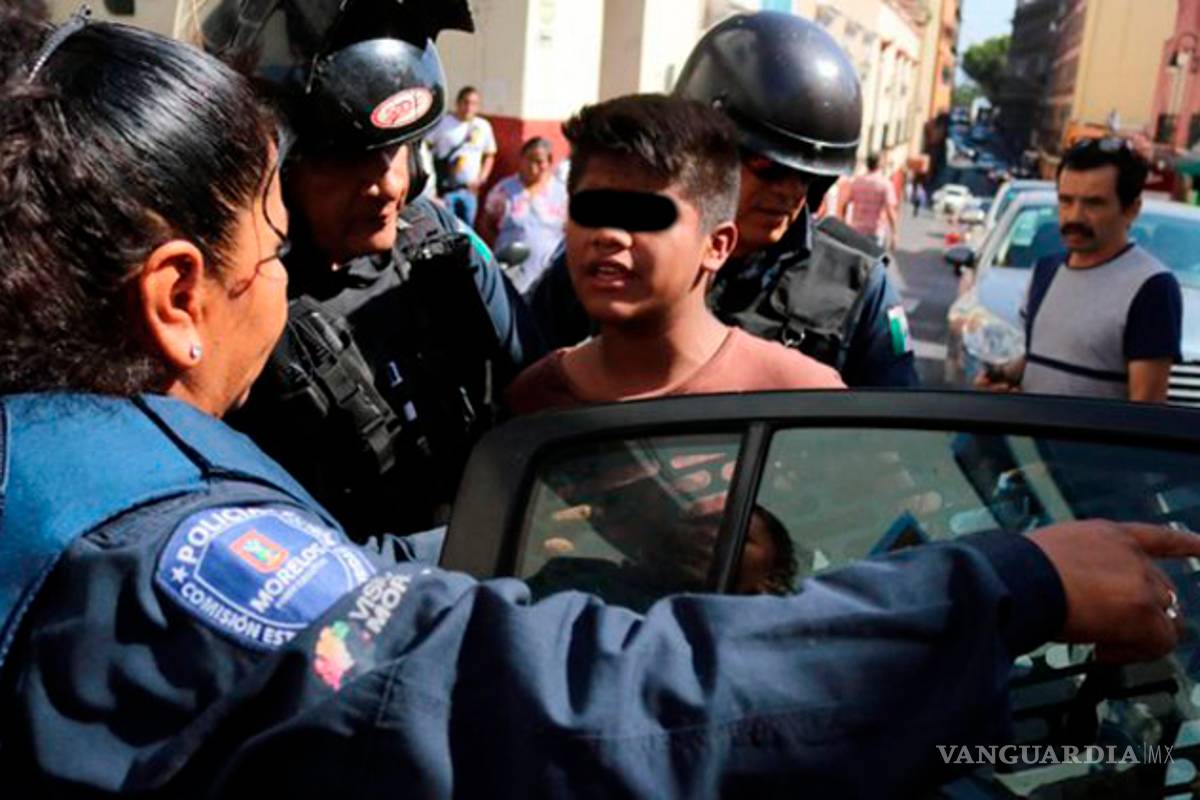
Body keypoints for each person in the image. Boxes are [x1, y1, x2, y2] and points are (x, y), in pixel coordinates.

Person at [4, 14, 1200, 800]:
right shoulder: (150, 550)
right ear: (173, 296)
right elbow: (556, 701)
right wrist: (1008, 587)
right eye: (268, 239)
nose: (378, 198)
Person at [186, 0, 546, 540]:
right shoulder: (230, 308)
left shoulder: (442, 249)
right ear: (275, 168)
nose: (389, 185)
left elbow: (545, 397)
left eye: (400, 150)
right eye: (348, 159)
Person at [528, 12, 918, 388]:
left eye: (808, 176)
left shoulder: (858, 285)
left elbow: (893, 441)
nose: (789, 190)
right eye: (766, 165)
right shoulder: (615, 255)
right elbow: (527, 377)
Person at [505, 95, 843, 415]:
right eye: (591, 209)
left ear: (717, 245)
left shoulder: (800, 398)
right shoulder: (533, 399)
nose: (608, 234)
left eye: (644, 215)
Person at [978, 137, 1183, 402]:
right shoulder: (1046, 271)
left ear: (1131, 210)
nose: (1074, 216)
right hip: (1031, 442)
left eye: (1093, 203)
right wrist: (1003, 376)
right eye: (1066, 201)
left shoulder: (1151, 287)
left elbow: (1147, 408)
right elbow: (1046, 357)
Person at [477, 136, 568, 294]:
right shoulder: (504, 190)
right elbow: (486, 225)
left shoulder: (562, 193)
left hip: (550, 279)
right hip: (512, 275)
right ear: (521, 159)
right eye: (529, 160)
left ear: (549, 162)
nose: (533, 167)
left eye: (539, 161)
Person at [429, 84, 497, 227]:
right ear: (458, 103)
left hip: (470, 191)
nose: (469, 107)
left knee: (468, 233)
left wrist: (482, 179)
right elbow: (427, 150)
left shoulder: (483, 126)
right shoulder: (443, 123)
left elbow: (489, 154)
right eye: (465, 102)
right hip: (445, 190)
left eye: (474, 104)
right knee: (447, 229)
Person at [837, 153, 898, 249]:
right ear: (880, 165)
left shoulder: (857, 181)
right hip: (875, 231)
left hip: (856, 230)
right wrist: (894, 234)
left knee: (856, 260)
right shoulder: (885, 184)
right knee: (875, 261)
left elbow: (844, 203)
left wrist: (844, 223)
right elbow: (890, 210)